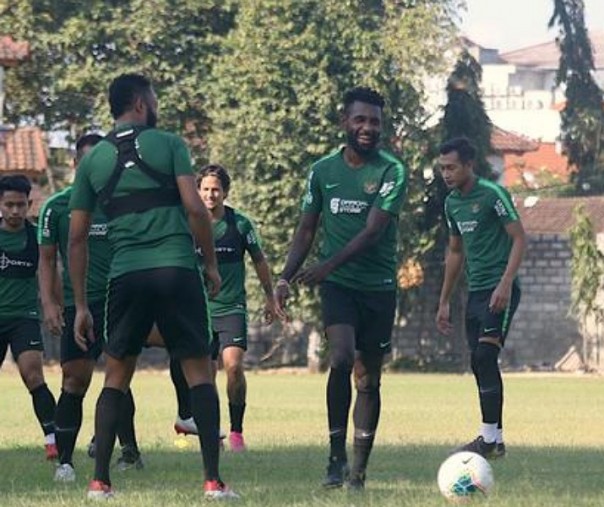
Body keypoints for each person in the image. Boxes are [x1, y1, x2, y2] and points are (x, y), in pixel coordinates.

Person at [68, 73, 237, 500]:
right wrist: (211, 264)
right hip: (177, 270)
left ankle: (99, 482)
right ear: (141, 103)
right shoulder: (169, 144)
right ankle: (213, 483)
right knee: (199, 369)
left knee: (116, 375)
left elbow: (76, 238)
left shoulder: (92, 161)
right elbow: (196, 209)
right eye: (154, 98)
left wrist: (83, 305)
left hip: (125, 275)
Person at [274, 87, 407, 490]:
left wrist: (324, 265)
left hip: (379, 286)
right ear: (344, 122)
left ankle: (359, 471)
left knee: (368, 378)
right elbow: (306, 229)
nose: (368, 128)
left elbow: (372, 232)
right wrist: (284, 277)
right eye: (361, 120)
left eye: (375, 122)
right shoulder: (322, 171)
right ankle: (335, 458)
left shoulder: (392, 171)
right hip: (339, 287)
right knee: (342, 358)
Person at [38, 134, 143, 483]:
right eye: (87, 160)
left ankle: (129, 451)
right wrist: (51, 304)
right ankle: (64, 462)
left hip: (119, 303)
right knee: (74, 379)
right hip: (78, 305)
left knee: (119, 378)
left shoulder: (122, 203)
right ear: (75, 164)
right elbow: (48, 260)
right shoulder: (57, 206)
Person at [170, 164, 277, 452]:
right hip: (198, 310)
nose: (210, 194)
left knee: (233, 367)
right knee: (206, 375)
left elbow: (259, 261)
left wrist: (271, 297)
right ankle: (211, 431)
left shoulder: (240, 224)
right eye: (204, 189)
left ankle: (236, 431)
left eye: (215, 189)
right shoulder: (187, 222)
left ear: (225, 192)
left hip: (231, 307)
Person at [435, 136, 525, 459]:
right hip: (474, 292)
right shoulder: (451, 204)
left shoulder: (493, 194)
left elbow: (519, 238)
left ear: (469, 165)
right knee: (479, 362)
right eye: (442, 168)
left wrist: (506, 282)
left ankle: (487, 440)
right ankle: (497, 440)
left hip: (499, 290)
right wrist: (444, 300)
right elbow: (456, 252)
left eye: (451, 167)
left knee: (485, 357)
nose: (446, 174)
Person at [0, 175, 57, 460]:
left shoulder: (36, 238)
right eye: (9, 205)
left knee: (33, 374)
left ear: (29, 205)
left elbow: (49, 275)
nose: (14, 211)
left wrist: (54, 307)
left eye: (20, 205)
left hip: (24, 317)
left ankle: (53, 439)